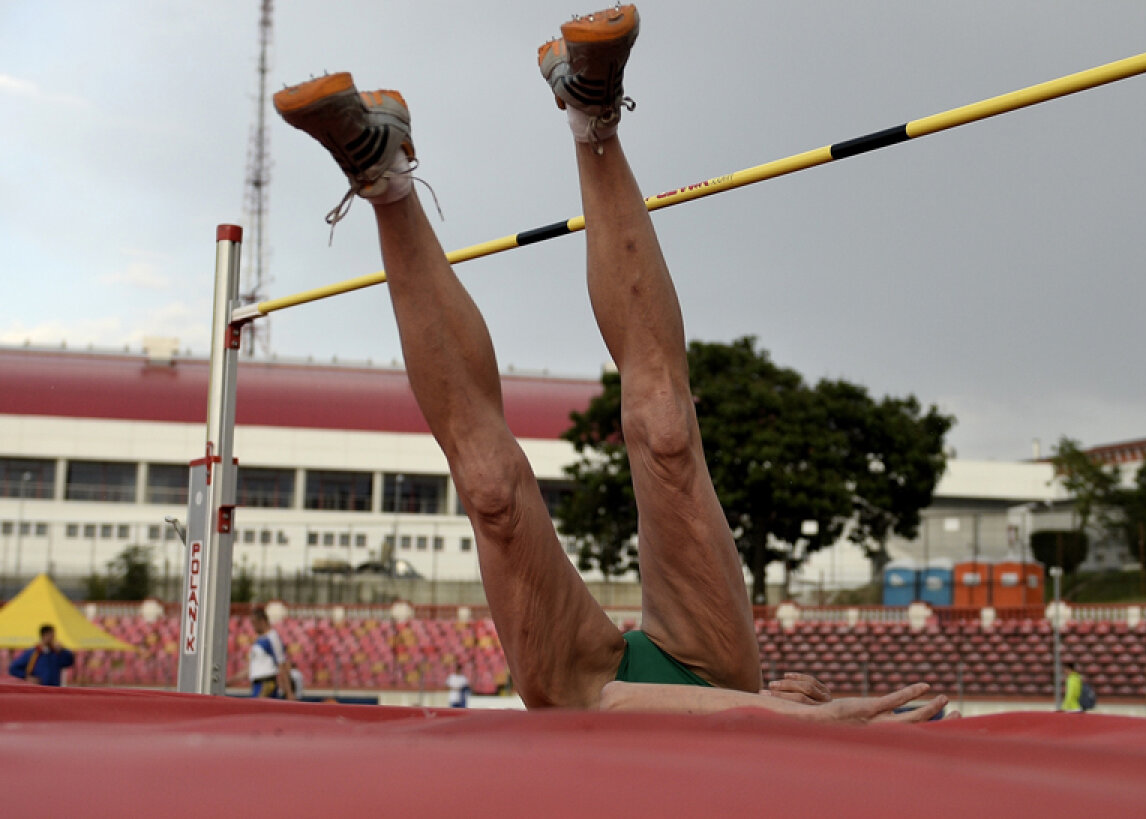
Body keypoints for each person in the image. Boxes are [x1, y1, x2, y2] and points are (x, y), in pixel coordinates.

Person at [274, 5, 950, 723]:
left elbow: (608, 700)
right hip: (713, 670)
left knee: (491, 492)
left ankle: (381, 173)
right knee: (665, 429)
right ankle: (591, 114)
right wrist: (797, 716)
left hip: (590, 690)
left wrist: (801, 718)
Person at [247, 607, 296, 700]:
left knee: (258, 711)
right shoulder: (259, 640)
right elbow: (251, 667)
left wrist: (289, 692)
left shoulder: (272, 637)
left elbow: (281, 664)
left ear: (262, 621)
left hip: (266, 684)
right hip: (257, 684)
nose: (253, 627)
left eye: (254, 623)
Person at [8, 624, 75, 686]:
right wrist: (26, 677)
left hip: (54, 689)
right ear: (43, 635)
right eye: (50, 635)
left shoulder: (56, 653)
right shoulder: (33, 652)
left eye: (53, 635)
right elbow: (13, 668)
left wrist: (62, 650)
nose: (52, 638)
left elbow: (69, 662)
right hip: (38, 689)